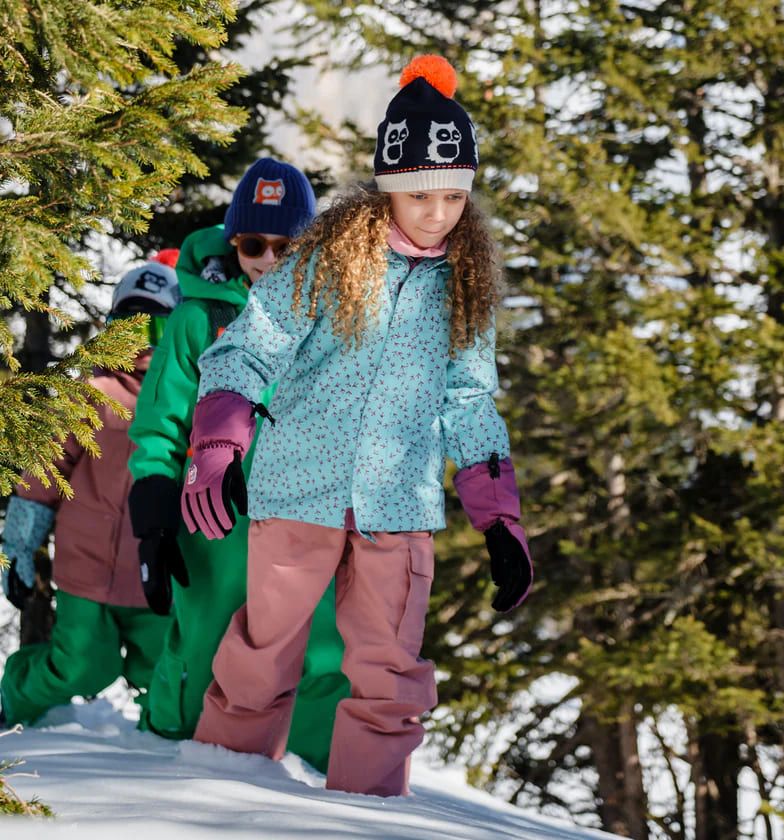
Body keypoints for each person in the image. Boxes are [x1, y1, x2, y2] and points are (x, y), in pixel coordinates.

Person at [181, 55, 534, 797]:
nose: (437, 213)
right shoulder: (327, 262)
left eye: (453, 195)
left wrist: (499, 520)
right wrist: (218, 444)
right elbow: (246, 351)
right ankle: (221, 795)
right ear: (387, 187)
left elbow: (470, 403)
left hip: (398, 509)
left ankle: (369, 816)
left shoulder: (464, 288)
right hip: (296, 492)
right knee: (260, 657)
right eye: (419, 194)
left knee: (390, 676)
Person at [126, 159, 348, 772]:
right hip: (213, 509)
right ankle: (167, 741)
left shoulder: (331, 316)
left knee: (320, 643)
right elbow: (163, 414)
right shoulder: (198, 318)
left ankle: (320, 767)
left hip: (306, 505)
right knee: (207, 633)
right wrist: (154, 508)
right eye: (254, 245)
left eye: (286, 246)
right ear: (233, 243)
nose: (268, 260)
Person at [0, 259, 180, 725]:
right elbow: (44, 471)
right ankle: (13, 699)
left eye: (156, 328)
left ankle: (161, 749)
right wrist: (20, 545)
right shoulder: (91, 392)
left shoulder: (187, 401)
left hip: (155, 575)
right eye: (128, 328)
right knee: (81, 666)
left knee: (165, 674)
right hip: (86, 570)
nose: (141, 344)